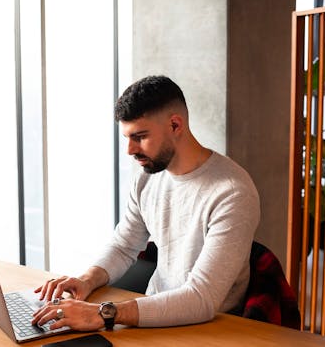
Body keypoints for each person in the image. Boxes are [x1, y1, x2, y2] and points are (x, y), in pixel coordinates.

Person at [31, 75, 260, 331]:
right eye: (127, 137)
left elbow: (202, 298)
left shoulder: (232, 193)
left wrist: (103, 313)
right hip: (152, 316)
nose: (129, 149)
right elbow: (124, 246)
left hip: (208, 329)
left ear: (175, 125)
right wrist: (86, 280)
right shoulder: (147, 178)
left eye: (139, 137)